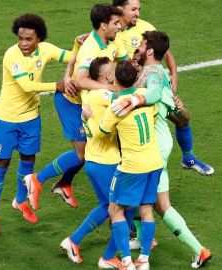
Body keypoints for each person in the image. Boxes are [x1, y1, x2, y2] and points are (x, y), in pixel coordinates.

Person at [24, 3, 129, 211]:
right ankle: (36, 180)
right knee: (83, 154)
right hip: (71, 103)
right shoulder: (91, 47)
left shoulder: (113, 41)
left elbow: (127, 62)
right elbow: (80, 81)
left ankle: (64, 184)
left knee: (95, 150)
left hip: (90, 104)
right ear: (103, 24)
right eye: (116, 23)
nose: (120, 26)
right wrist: (110, 89)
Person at [0, 14, 82, 238]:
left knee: (28, 161)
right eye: (21, 38)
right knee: (1, 164)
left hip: (31, 119)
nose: (24, 44)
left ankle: (21, 201)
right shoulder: (12, 55)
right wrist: (57, 86)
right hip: (7, 119)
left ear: (39, 38)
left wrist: (78, 44)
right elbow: (27, 85)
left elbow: (72, 58)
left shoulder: (46, 49)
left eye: (29, 39)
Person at [132, 30, 213, 268]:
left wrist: (134, 99)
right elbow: (181, 115)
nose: (137, 48)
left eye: (141, 45)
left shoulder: (152, 74)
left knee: (159, 205)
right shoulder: (160, 73)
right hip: (159, 142)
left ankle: (199, 250)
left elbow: (155, 94)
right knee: (139, 195)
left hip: (152, 146)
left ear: (149, 50)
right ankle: (141, 237)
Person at [113, 0, 214, 176]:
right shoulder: (112, 31)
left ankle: (188, 158)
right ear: (120, 9)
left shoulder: (144, 28)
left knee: (183, 119)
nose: (138, 13)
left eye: (139, 9)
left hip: (155, 83)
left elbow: (164, 51)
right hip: (131, 88)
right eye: (134, 9)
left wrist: (173, 74)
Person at [83, 60, 163, 270]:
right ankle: (144, 260)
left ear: (115, 79)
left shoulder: (116, 107)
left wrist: (88, 118)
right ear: (135, 79)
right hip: (154, 161)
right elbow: (153, 118)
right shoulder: (145, 96)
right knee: (145, 209)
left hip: (132, 166)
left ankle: (126, 262)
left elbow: (101, 134)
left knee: (115, 209)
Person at [59, 57, 125, 268]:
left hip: (94, 162)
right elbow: (123, 98)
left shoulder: (89, 93)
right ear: (107, 76)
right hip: (107, 161)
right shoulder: (104, 95)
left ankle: (74, 242)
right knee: (122, 209)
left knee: (107, 207)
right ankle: (108, 257)